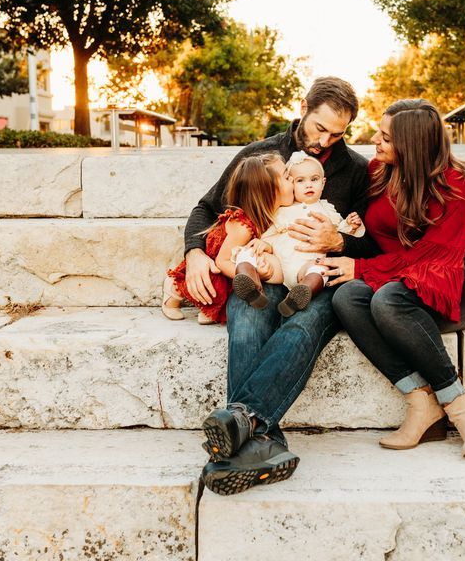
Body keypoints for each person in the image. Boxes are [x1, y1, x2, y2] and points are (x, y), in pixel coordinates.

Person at [182, 77, 379, 495]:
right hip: (267, 269)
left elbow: (374, 241)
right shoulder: (259, 157)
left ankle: (241, 428)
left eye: (337, 134)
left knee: (302, 323)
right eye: (318, 128)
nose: (324, 141)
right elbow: (206, 208)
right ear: (303, 107)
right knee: (250, 310)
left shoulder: (358, 172)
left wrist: (341, 240)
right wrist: (194, 253)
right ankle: (258, 440)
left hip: (319, 280)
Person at [325, 99, 465, 458]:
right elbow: (377, 242)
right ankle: (422, 403)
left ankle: (461, 405)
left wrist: (361, 269)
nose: (375, 140)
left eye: (386, 138)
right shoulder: (378, 173)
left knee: (389, 298)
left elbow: (432, 257)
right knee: (346, 298)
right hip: (402, 280)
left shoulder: (455, 182)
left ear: (412, 146)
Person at [232, 151, 365, 318]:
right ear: (292, 185)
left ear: (323, 184)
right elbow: (271, 234)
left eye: (314, 179)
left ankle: (302, 293)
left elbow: (338, 234)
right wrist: (264, 244)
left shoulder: (328, 210)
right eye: (299, 181)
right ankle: (249, 279)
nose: (308, 185)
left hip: (306, 266)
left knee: (321, 269)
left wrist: (351, 226)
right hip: (279, 265)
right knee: (248, 252)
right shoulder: (283, 211)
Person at [161, 153, 292, 324]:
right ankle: (172, 290)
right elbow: (222, 262)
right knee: (208, 282)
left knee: (218, 292)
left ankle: (209, 306)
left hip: (232, 260)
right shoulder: (243, 227)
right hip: (217, 262)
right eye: (287, 177)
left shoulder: (274, 216)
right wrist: (253, 273)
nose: (294, 181)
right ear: (269, 190)